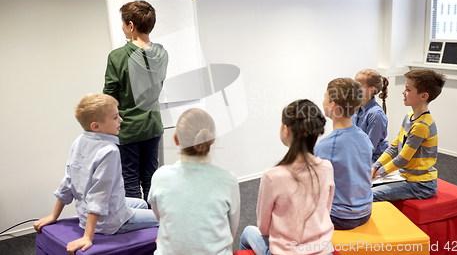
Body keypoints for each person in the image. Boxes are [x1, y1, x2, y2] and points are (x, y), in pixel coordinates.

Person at [33, 93, 158, 255]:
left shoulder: (79, 142)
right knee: (167, 217)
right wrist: (87, 237)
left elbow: (67, 183)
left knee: (141, 204)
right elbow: (99, 197)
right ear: (96, 126)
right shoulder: (109, 151)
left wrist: (53, 215)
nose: (121, 120)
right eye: (115, 117)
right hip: (111, 223)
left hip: (87, 215)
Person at [240, 100, 335, 255]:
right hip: (323, 250)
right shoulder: (327, 167)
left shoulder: (272, 176)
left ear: (286, 130)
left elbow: (263, 228)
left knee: (247, 232)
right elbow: (326, 211)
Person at [148, 108, 240, 255]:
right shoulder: (228, 180)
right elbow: (231, 230)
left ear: (176, 139)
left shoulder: (160, 176)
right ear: (212, 139)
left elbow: (161, 218)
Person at [103, 0, 168, 202]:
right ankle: (153, 225)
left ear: (131, 26)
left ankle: (139, 228)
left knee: (130, 180)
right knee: (151, 177)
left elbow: (109, 98)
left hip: (127, 128)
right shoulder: (162, 53)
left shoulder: (117, 56)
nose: (122, 28)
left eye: (123, 24)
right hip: (153, 125)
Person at [371, 69, 446, 202]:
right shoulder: (409, 117)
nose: (403, 92)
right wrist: (375, 167)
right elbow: (394, 147)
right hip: (406, 176)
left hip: (421, 185)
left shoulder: (421, 126)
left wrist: (378, 173)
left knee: (369, 194)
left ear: (424, 96)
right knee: (364, 186)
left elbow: (402, 159)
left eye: (408, 89)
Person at [314, 78, 373, 230]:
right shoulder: (364, 137)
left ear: (333, 104)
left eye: (325, 98)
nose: (323, 102)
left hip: (340, 217)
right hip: (366, 212)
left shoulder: (325, 146)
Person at [351, 69, 389, 162]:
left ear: (371, 89)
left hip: (372, 161)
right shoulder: (355, 108)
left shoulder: (375, 114)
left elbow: (369, 148)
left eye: (358, 85)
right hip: (357, 156)